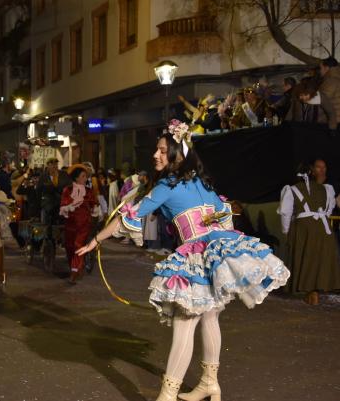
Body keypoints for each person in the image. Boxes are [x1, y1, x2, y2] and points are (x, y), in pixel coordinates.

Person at [75, 120, 290, 401]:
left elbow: (130, 215)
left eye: (163, 150)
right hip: (216, 252)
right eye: (156, 150)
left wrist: (96, 239)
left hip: (196, 255)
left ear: (178, 153)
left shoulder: (167, 185)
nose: (156, 155)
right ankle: (210, 383)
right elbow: (223, 215)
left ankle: (168, 396)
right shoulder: (202, 182)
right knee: (210, 317)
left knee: (185, 324)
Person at [279, 159, 340, 305]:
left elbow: (286, 213)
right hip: (323, 228)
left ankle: (311, 293)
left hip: (305, 228)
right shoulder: (325, 189)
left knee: (309, 258)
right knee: (317, 259)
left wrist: (286, 231)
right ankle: (314, 292)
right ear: (311, 171)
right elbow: (328, 210)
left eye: (324, 167)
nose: (322, 171)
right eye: (319, 168)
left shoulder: (293, 189)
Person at [60, 165, 97, 285]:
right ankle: (75, 267)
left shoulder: (89, 191)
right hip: (70, 223)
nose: (85, 178)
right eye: (83, 176)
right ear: (76, 178)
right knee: (69, 246)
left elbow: (93, 204)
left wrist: (96, 209)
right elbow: (63, 205)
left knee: (78, 245)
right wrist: (69, 206)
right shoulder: (67, 190)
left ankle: (74, 272)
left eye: (86, 176)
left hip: (84, 223)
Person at [37, 157, 71, 226]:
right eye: (52, 164)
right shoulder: (43, 176)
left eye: (56, 164)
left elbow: (69, 186)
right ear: (48, 165)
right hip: (48, 205)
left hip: (62, 203)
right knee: (48, 225)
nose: (54, 166)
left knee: (61, 224)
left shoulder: (64, 174)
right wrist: (41, 203)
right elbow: (39, 190)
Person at [319, 57, 340, 127]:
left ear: (327, 68)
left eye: (321, 68)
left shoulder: (330, 81)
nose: (320, 71)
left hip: (334, 122)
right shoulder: (337, 79)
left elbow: (322, 101)